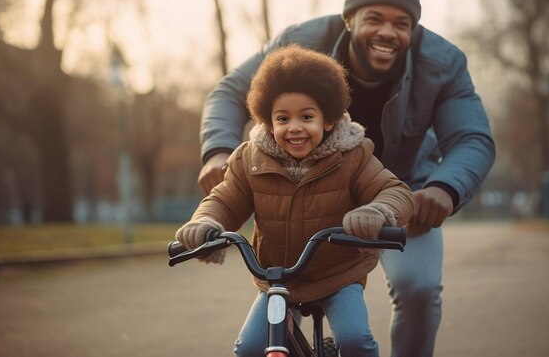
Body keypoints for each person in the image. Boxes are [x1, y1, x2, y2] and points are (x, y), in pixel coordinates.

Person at [196, 0, 496, 357]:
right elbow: (232, 92)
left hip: (402, 195)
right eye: (374, 18)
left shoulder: (443, 63)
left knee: (419, 288)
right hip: (303, 181)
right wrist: (217, 151)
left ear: (414, 30)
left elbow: (472, 137)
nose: (387, 32)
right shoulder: (299, 45)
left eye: (402, 23)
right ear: (349, 19)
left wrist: (444, 188)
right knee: (281, 292)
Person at [176, 44, 415, 357]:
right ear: (267, 121)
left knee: (355, 340)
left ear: (328, 119)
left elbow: (396, 192)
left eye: (306, 116)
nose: (295, 127)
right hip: (278, 278)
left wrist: (378, 212)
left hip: (338, 275)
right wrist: (206, 221)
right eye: (283, 118)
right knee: (248, 349)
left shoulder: (353, 155)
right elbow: (225, 199)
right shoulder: (250, 159)